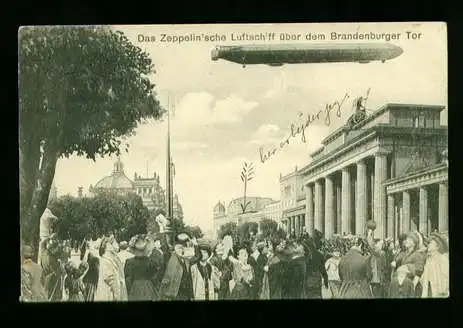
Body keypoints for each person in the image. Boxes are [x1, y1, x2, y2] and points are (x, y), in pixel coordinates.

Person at [159, 234, 200, 300]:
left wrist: (196, 245)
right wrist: (163, 231)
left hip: (186, 293)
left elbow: (197, 257)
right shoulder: (169, 256)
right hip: (173, 293)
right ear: (175, 247)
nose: (181, 249)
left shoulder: (187, 259)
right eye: (178, 247)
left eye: (183, 247)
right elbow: (164, 247)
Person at [391, 232, 426, 298]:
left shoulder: (417, 255)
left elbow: (418, 274)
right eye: (407, 239)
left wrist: (413, 288)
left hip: (412, 287)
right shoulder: (405, 254)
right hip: (403, 286)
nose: (406, 241)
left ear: (414, 243)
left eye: (409, 240)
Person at [124, 235, 158, 301]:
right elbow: (154, 276)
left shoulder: (129, 262)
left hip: (134, 288)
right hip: (148, 287)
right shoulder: (151, 262)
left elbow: (127, 278)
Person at [94, 237, 127, 301]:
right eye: (113, 243)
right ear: (108, 246)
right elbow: (109, 278)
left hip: (111, 291)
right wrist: (117, 293)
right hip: (108, 292)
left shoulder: (110, 258)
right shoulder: (106, 260)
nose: (116, 245)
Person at [420, 233, 449, 298]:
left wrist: (442, 291)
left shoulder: (442, 259)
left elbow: (446, 277)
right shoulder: (429, 259)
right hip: (428, 289)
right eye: (429, 243)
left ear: (437, 247)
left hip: (439, 292)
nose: (429, 245)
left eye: (431, 243)